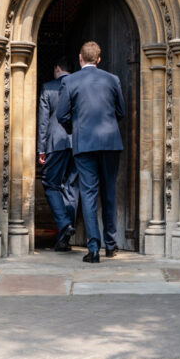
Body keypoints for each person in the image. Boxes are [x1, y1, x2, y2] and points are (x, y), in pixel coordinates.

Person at [56, 41, 125, 263]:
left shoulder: (70, 81)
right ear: (99, 59)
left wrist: (75, 130)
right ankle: (111, 245)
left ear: (80, 58)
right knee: (109, 193)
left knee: (88, 194)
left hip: (84, 144)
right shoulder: (112, 79)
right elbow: (120, 111)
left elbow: (61, 115)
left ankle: (93, 248)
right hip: (110, 143)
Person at [37, 58, 79, 252]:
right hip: (78, 143)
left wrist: (41, 149)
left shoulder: (48, 87)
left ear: (57, 68)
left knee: (50, 183)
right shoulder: (79, 84)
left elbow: (44, 122)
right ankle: (64, 240)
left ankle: (64, 224)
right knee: (70, 186)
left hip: (56, 143)